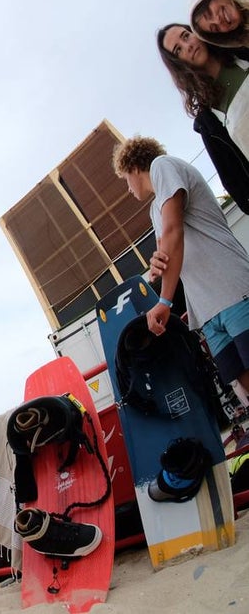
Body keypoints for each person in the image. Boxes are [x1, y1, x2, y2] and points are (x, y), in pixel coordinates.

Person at [114, 136, 249, 396]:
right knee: (241, 380)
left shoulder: (162, 166)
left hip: (231, 289)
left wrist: (164, 302)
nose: (128, 189)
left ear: (132, 167)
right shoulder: (155, 210)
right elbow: (167, 253)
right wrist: (157, 264)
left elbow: (174, 231)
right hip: (206, 309)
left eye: (125, 180)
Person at [157, 23, 249, 212]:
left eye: (186, 36)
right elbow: (238, 187)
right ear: (179, 65)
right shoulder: (209, 124)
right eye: (178, 50)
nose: (188, 45)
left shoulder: (244, 53)